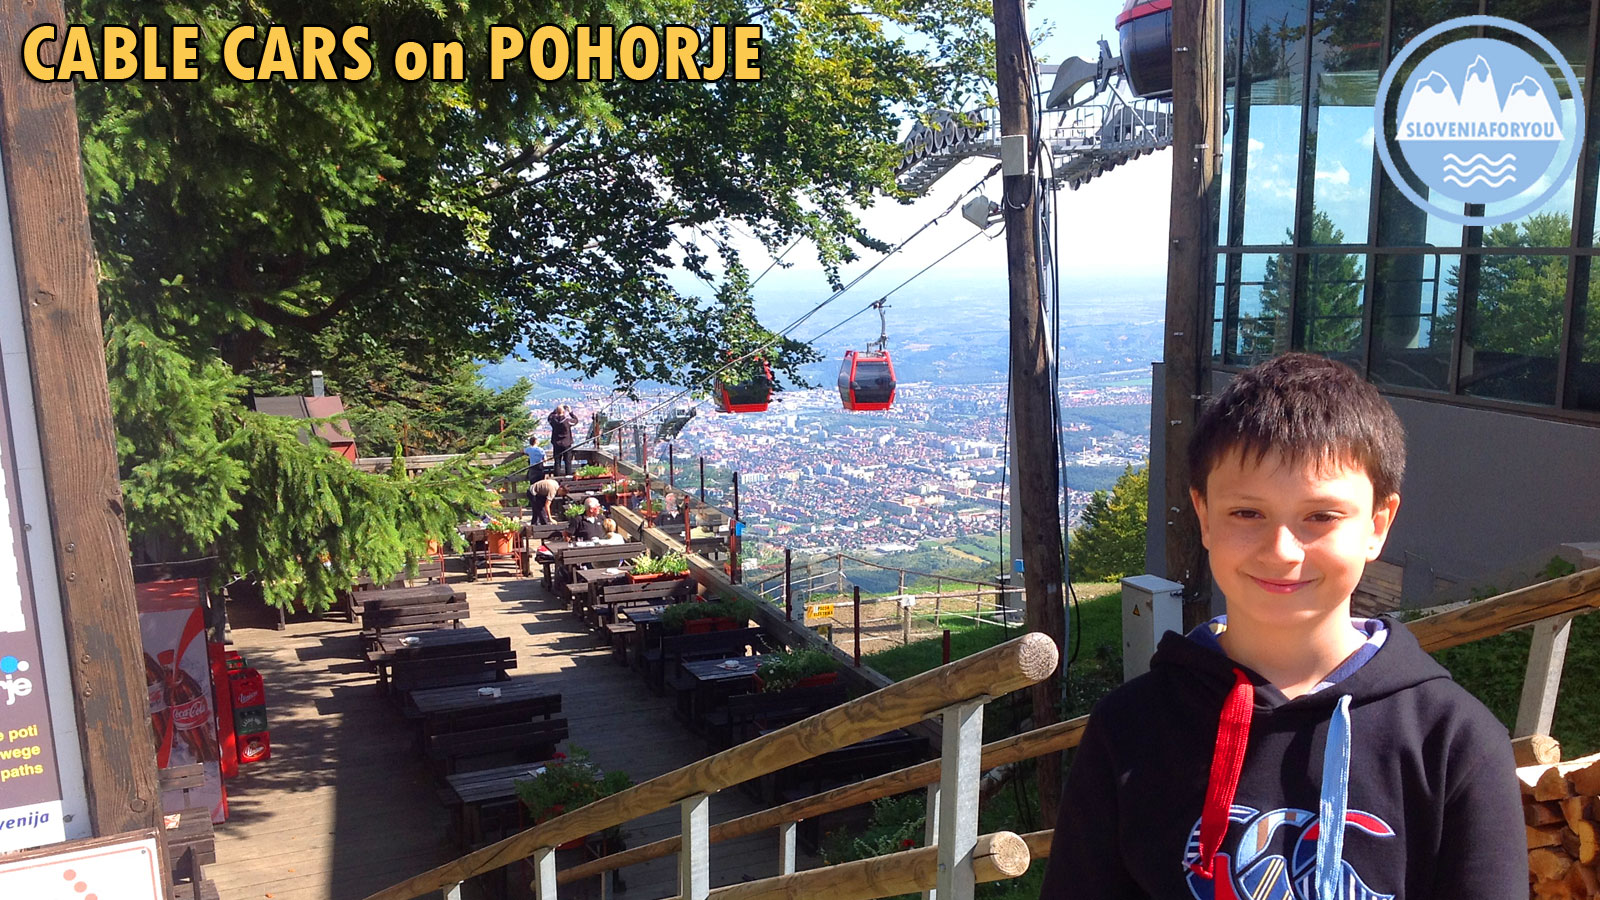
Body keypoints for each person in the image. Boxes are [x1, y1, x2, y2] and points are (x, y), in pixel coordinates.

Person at [1040, 353, 1524, 900]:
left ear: (1378, 525)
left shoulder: (1452, 742)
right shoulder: (1129, 731)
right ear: (1203, 516)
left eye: (1320, 516)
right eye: (1247, 513)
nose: (1281, 551)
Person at [548, 403, 579, 476]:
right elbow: (576, 421)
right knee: (568, 461)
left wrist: (555, 411)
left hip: (557, 443)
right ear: (564, 412)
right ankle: (568, 476)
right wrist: (570, 412)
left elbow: (549, 417)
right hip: (566, 443)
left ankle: (556, 477)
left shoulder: (553, 420)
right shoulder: (567, 421)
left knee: (557, 461)